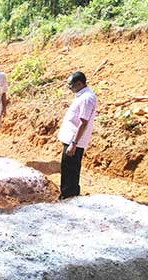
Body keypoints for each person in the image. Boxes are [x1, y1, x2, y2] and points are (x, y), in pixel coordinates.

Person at [58, 71, 97, 200]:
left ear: (79, 83)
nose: (69, 88)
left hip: (74, 141)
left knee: (70, 171)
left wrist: (73, 144)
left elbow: (83, 122)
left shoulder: (87, 98)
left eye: (71, 85)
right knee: (68, 169)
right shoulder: (82, 96)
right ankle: (70, 195)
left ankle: (68, 197)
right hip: (72, 140)